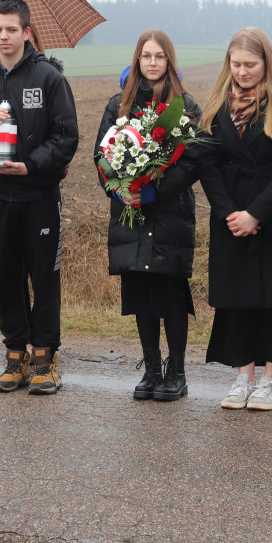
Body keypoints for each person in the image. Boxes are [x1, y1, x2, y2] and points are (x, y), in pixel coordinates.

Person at [0, 0, 79, 395]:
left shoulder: (49, 78)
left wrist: (31, 166)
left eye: (11, 29)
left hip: (39, 196)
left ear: (27, 32)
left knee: (44, 278)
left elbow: (66, 137)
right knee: (7, 278)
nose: (4, 36)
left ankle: (45, 357)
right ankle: (15, 356)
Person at [197, 27, 272, 411]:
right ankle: (243, 376)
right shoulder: (216, 103)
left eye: (251, 64)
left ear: (267, 62)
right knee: (237, 298)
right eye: (236, 64)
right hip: (229, 217)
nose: (243, 72)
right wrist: (231, 213)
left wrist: (257, 214)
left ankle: (270, 382)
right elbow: (207, 165)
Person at [95, 30, 201, 401]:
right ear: (136, 60)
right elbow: (102, 156)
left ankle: (178, 372)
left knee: (170, 293)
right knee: (141, 293)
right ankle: (152, 369)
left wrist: (156, 189)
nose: (152, 62)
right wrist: (120, 188)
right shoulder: (118, 106)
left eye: (158, 56)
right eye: (145, 56)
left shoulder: (185, 107)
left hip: (170, 214)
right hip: (132, 216)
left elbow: (191, 163)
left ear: (169, 62)